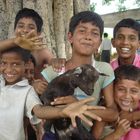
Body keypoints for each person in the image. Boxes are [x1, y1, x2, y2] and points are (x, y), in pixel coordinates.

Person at [0, 46, 105, 140]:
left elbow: (39, 111)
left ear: (26, 65)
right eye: (3, 63)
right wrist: (15, 41)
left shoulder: (27, 91)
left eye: (15, 64)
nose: (8, 69)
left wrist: (62, 112)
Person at [41, 10, 118, 137]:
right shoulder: (53, 71)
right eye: (82, 31)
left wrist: (81, 107)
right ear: (70, 37)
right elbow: (41, 110)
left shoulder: (104, 69)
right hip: (56, 134)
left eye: (94, 33)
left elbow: (113, 113)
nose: (88, 36)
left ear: (99, 42)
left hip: (84, 134)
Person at [0, 8, 55, 78]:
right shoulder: (8, 49)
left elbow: (58, 71)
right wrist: (16, 41)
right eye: (21, 26)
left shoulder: (42, 53)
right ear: (15, 29)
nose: (25, 30)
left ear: (38, 33)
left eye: (31, 27)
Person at [102, 65, 140, 140]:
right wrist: (116, 135)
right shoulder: (104, 112)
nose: (127, 96)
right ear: (111, 89)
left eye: (134, 91)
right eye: (121, 89)